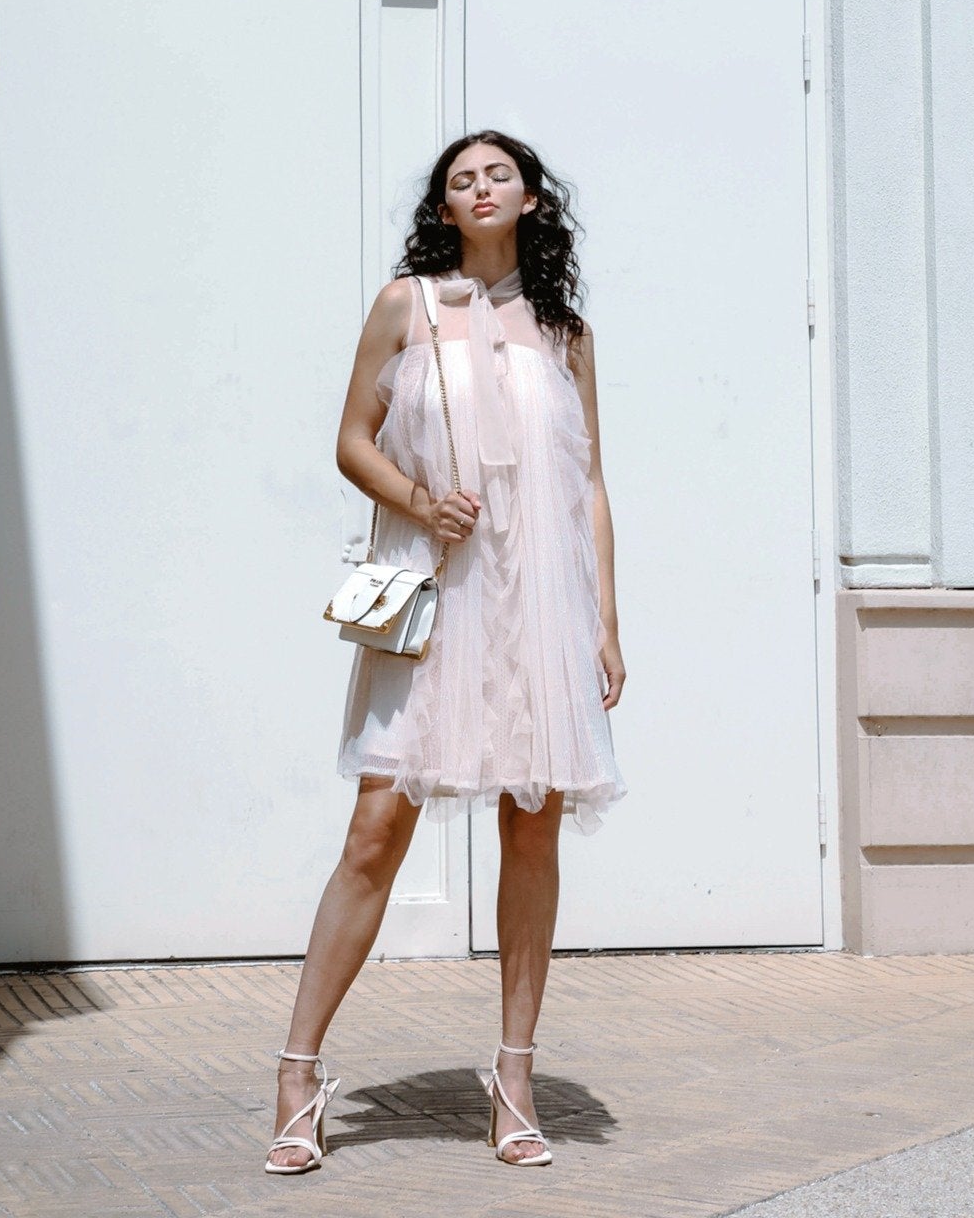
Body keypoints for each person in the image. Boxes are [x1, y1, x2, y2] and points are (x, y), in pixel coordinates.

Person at [265, 130, 628, 1174]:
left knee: (533, 827)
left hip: (539, 606)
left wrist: (606, 619)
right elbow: (351, 440)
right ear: (445, 206)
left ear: (529, 198)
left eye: (498, 173)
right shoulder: (405, 305)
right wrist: (422, 500)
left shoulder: (565, 330)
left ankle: (514, 1079)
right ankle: (297, 1071)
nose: (481, 186)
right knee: (376, 828)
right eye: (462, 178)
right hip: (436, 597)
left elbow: (590, 482)